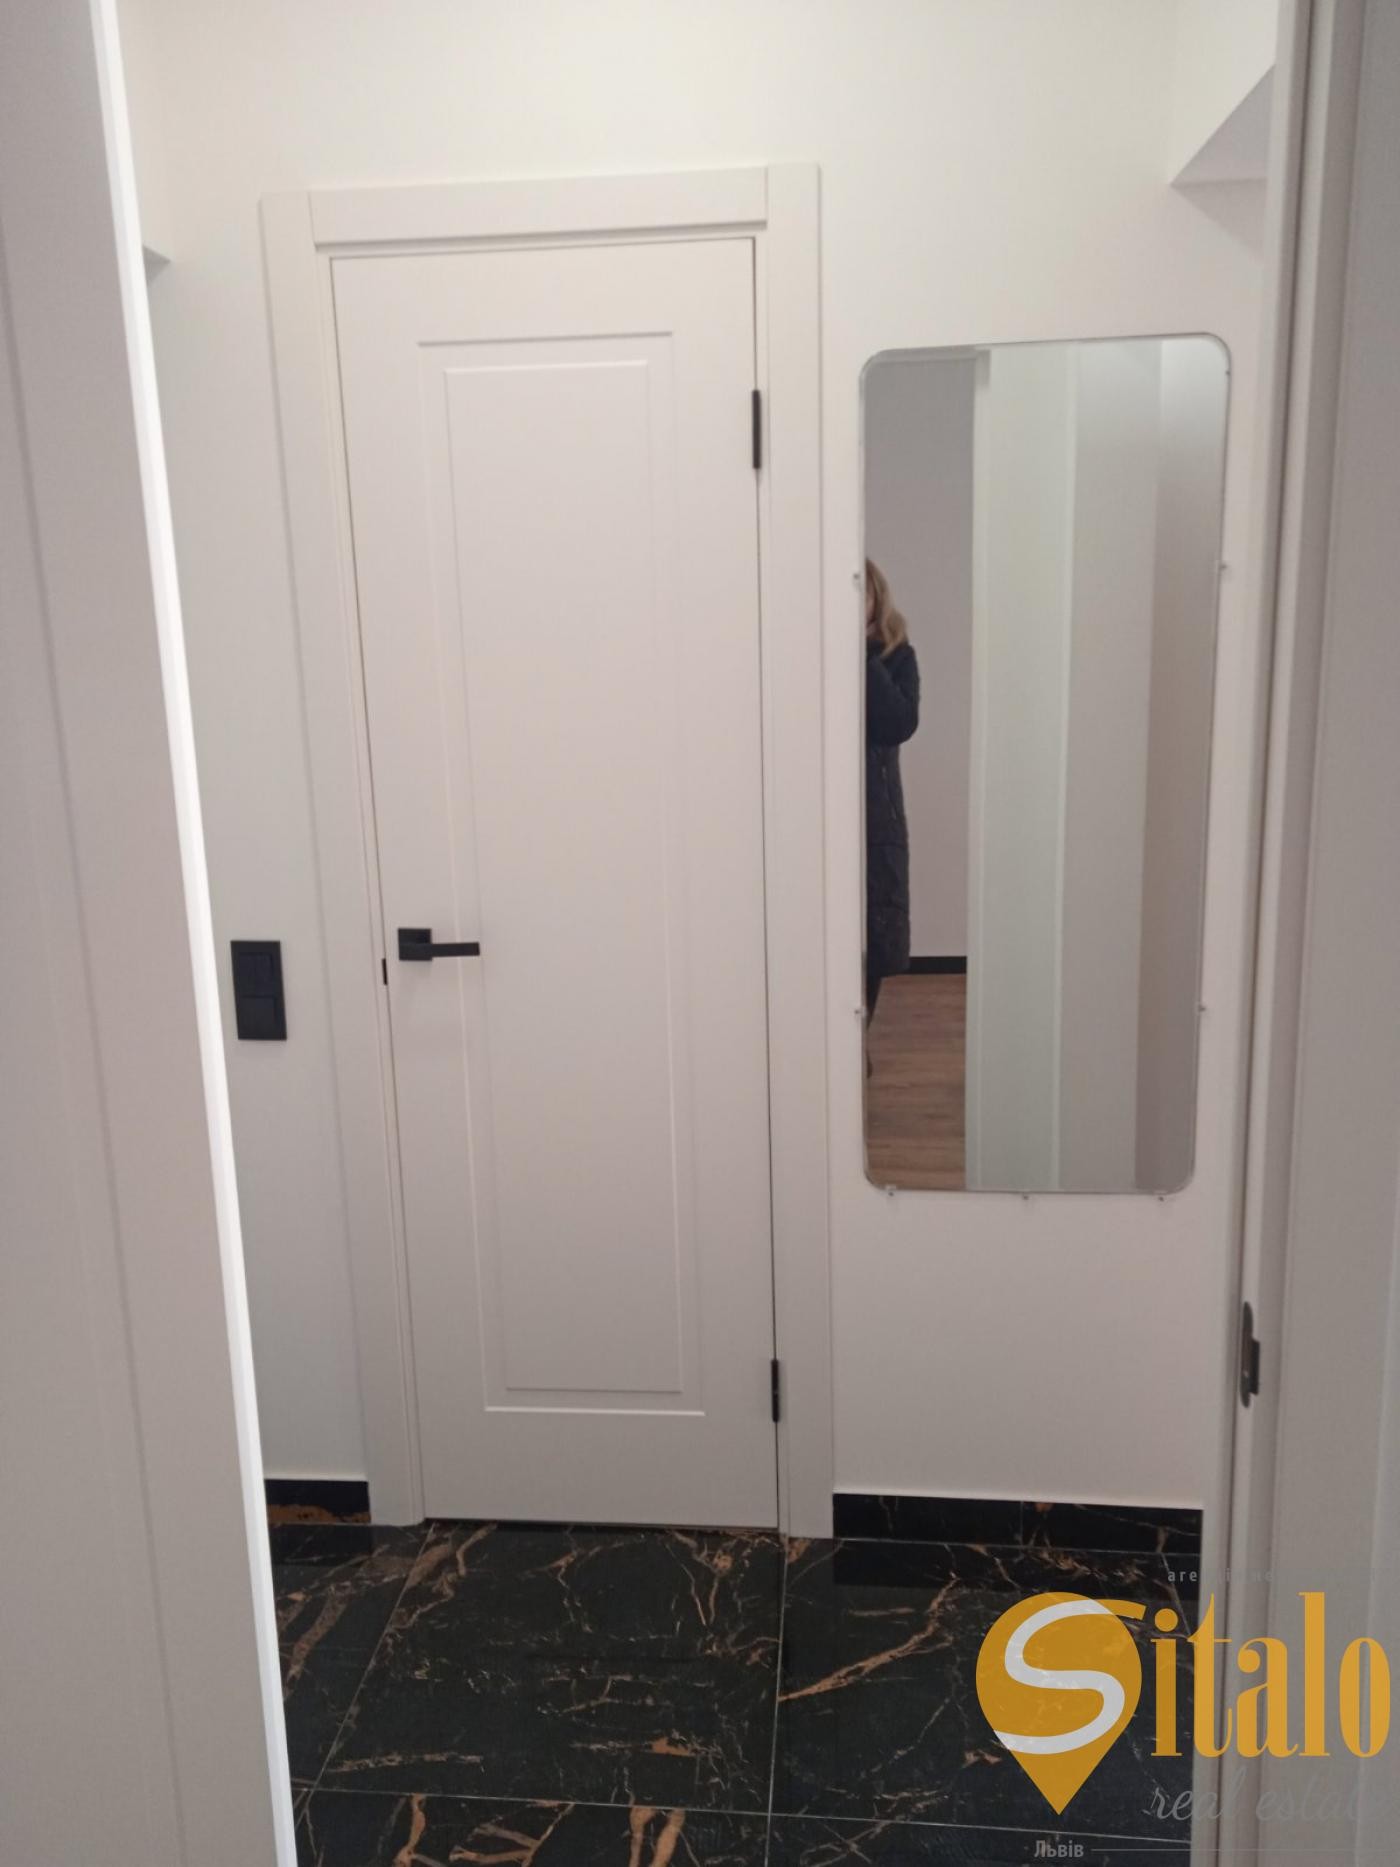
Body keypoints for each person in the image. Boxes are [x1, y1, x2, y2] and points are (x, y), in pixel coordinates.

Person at [864, 558, 920, 1023]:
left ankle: (857, 1039)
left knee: (876, 930)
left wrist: (864, 658)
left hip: (877, 816)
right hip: (819, 816)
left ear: (875, 598)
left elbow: (899, 724)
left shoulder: (896, 656)